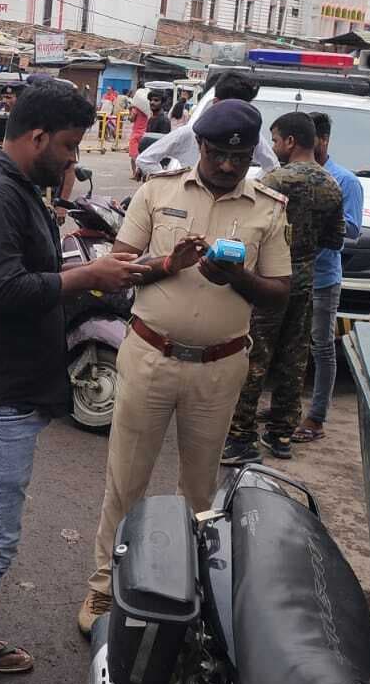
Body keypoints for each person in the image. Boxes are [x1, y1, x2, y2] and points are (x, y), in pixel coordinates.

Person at [0, 79, 141, 684]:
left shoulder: (18, 187)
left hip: (5, 387)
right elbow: (4, 290)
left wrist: (124, 267)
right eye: (70, 147)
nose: (74, 158)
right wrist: (91, 276)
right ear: (35, 138)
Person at [77, 99, 291, 636]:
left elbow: (279, 295)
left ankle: (193, 594)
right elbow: (115, 272)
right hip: (150, 355)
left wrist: (234, 278)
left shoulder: (269, 207)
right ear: (200, 147)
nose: (225, 166)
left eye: (237, 159)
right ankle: (104, 590)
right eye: (217, 154)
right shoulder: (158, 191)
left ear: (251, 157)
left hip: (218, 369)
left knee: (199, 490)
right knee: (126, 480)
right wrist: (170, 264)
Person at [224, 111, 344, 463]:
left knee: (256, 356)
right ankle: (280, 436)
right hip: (306, 280)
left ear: (290, 141)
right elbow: (335, 240)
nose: (273, 147)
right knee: (294, 359)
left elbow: (250, 229)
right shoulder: (331, 185)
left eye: (275, 140)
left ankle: (241, 437)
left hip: (269, 280)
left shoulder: (273, 182)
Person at [293, 112, 363, 445]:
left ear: (323, 140)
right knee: (290, 346)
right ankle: (287, 409)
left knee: (322, 348)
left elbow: (351, 231)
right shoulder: (289, 176)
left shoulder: (344, 181)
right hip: (290, 276)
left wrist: (315, 223)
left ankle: (316, 417)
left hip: (323, 278)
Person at [136, 73, 279, 178]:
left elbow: (273, 168)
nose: (226, 167)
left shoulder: (252, 138)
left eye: (239, 157)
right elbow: (145, 159)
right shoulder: (190, 132)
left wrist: (251, 188)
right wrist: (174, 184)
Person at [126, 88, 152, 162]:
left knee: (134, 157)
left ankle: (135, 172)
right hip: (144, 134)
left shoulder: (135, 109)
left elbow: (131, 119)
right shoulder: (148, 110)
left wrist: (129, 110)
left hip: (136, 134)